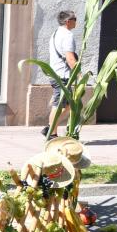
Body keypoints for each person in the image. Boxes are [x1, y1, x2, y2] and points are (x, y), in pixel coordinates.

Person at [44, 10, 79, 139]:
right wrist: (79, 74)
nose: (76, 21)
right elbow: (70, 58)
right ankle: (51, 134)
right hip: (62, 75)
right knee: (59, 105)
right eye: (75, 19)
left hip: (55, 73)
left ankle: (50, 127)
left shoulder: (55, 33)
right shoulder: (68, 35)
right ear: (68, 21)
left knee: (68, 104)